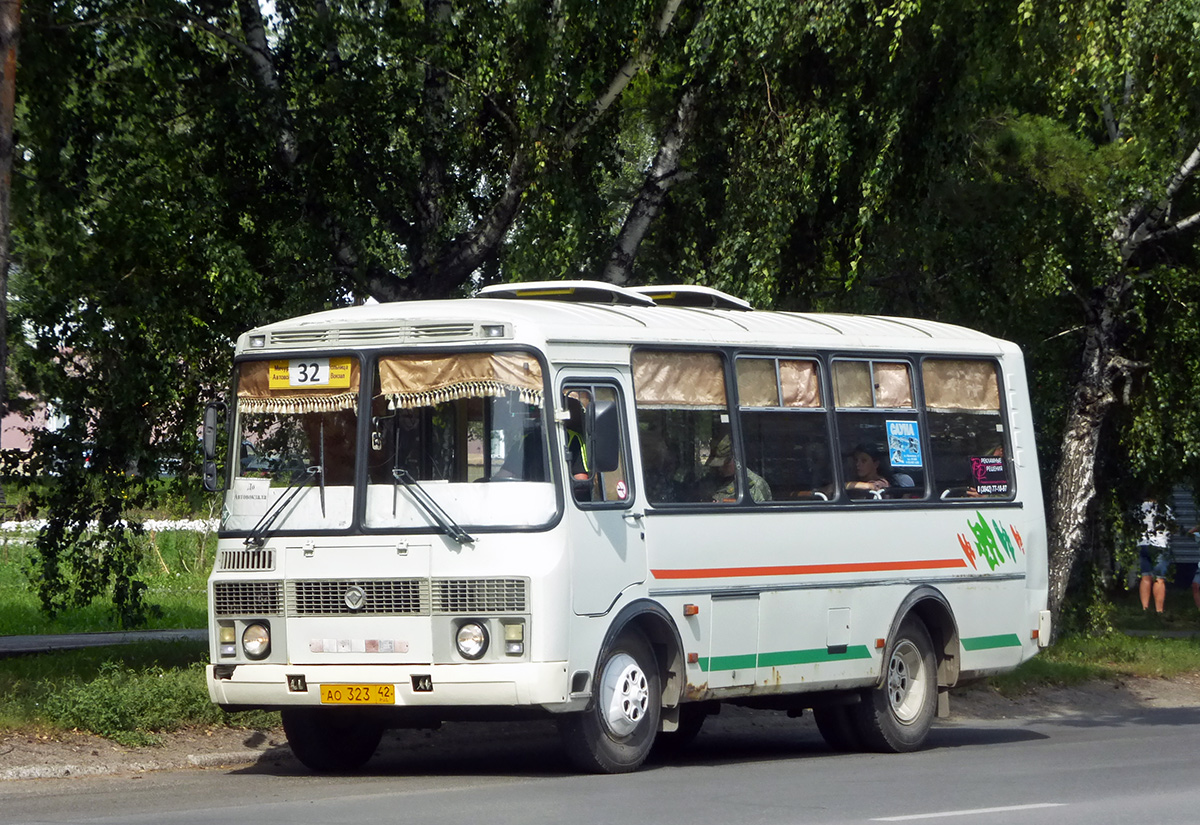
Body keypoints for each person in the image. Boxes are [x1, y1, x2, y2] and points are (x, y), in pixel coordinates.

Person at [1136, 497, 1198, 614]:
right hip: (1161, 544)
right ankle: (1159, 610)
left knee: (1145, 576)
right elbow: (1172, 525)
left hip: (1143, 542)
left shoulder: (1139, 508)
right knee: (1159, 579)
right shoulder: (1165, 508)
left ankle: (1145, 609)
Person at [707, 434, 771, 503]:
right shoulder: (710, 480)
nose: (720, 468)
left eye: (724, 464)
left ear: (735, 459)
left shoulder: (754, 486)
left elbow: (760, 512)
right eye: (717, 465)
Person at [845, 445, 912, 496]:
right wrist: (866, 486)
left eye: (863, 461)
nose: (858, 464)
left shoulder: (883, 483)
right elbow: (839, 487)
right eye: (856, 460)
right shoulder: (853, 480)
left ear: (875, 464)